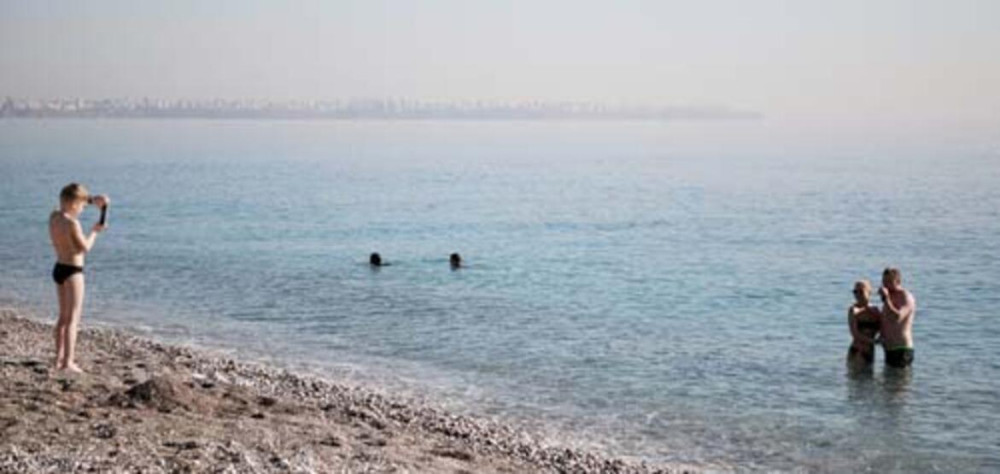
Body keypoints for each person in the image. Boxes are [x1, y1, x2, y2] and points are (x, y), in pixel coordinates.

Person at [49, 183, 109, 373]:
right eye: (82, 206)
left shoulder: (54, 217)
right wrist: (95, 232)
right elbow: (84, 248)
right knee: (73, 319)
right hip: (73, 271)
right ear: (75, 204)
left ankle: (57, 360)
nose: (83, 209)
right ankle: (68, 362)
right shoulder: (72, 223)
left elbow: (71, 200)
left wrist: (93, 200)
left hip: (58, 268)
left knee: (62, 318)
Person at [878, 267, 916, 368]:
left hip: (902, 349)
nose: (885, 285)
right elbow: (886, 321)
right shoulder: (889, 298)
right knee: (887, 383)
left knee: (900, 383)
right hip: (889, 350)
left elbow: (897, 317)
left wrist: (886, 298)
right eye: (884, 282)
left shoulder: (906, 296)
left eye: (889, 281)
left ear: (898, 281)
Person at [846, 280, 880, 366]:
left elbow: (882, 327)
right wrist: (873, 341)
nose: (858, 295)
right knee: (857, 378)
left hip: (870, 350)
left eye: (861, 292)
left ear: (869, 292)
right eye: (855, 292)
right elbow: (855, 334)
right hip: (858, 350)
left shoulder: (875, 310)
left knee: (869, 378)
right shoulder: (853, 310)